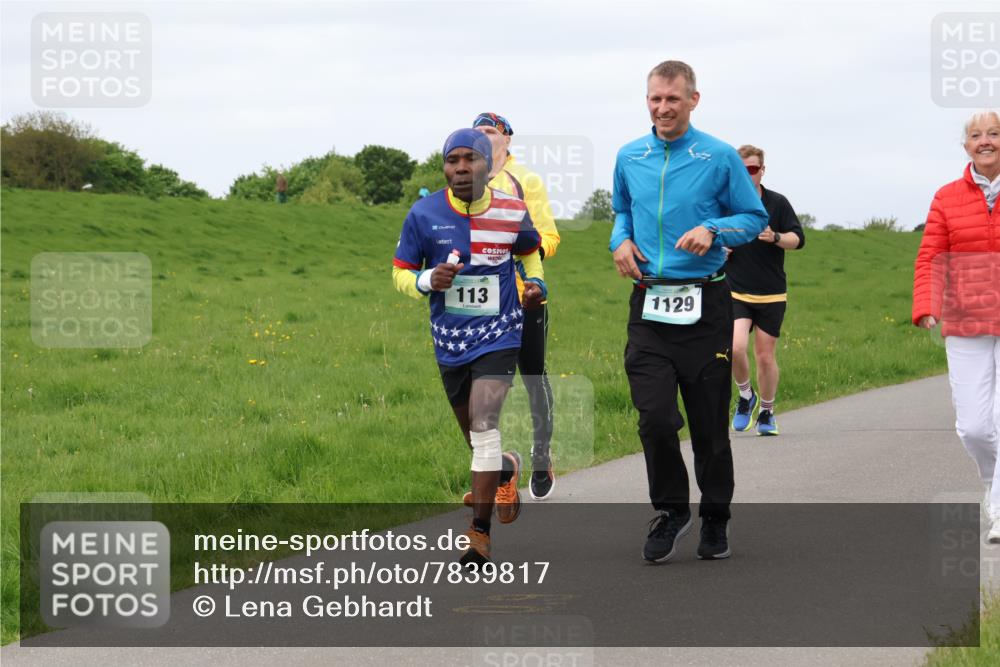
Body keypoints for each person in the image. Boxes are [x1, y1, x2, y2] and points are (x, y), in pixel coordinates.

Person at [610, 60, 768, 563]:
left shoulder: (719, 157)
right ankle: (673, 510)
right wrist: (620, 242)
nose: (662, 108)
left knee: (707, 426)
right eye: (655, 99)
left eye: (672, 99)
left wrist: (715, 230)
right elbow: (621, 212)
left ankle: (715, 518)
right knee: (655, 418)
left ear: (693, 100)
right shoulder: (629, 155)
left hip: (706, 306)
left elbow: (754, 217)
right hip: (650, 305)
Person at [393, 128, 546, 564]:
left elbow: (530, 251)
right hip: (450, 338)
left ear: (487, 164)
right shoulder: (423, 214)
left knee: (483, 427)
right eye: (452, 160)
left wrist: (534, 283)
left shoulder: (512, 210)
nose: (461, 168)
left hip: (501, 332)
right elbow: (400, 272)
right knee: (477, 437)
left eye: (470, 159)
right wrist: (426, 280)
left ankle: (479, 535)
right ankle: (504, 470)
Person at [913, 109, 1000, 541]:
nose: (986, 141)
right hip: (966, 319)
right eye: (977, 135)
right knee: (975, 426)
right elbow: (930, 256)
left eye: (995, 134)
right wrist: (927, 304)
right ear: (965, 145)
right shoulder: (947, 196)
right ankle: (992, 481)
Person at [472, 112, 561, 500]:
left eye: (491, 132)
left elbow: (549, 236)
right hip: (481, 299)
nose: (485, 138)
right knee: (483, 387)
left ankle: (541, 453)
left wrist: (522, 254)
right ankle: (500, 466)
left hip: (525, 297)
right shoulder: (467, 180)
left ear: (507, 139)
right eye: (478, 133)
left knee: (532, 376)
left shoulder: (526, 180)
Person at [726, 145, 806, 436]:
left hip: (771, 293)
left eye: (753, 169)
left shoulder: (777, 203)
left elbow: (798, 239)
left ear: (762, 170)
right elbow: (713, 237)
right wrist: (721, 250)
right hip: (736, 291)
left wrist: (775, 237)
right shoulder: (728, 204)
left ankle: (767, 412)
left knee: (764, 356)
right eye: (742, 169)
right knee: (734, 348)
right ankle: (746, 396)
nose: (748, 175)